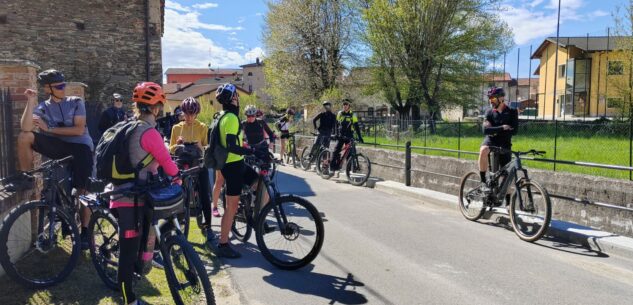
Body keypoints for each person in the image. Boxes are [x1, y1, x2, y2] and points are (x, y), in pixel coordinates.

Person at [108, 82, 181, 305]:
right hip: (128, 197)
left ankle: (146, 260)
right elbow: (167, 162)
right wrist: (178, 177)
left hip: (134, 193)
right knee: (127, 252)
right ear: (156, 107)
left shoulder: (132, 125)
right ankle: (128, 298)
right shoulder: (148, 132)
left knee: (141, 239)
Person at [10, 69, 94, 249]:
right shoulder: (43, 107)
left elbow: (79, 130)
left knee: (83, 190)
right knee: (25, 137)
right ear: (48, 89)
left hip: (81, 147)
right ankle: (27, 177)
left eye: (64, 84)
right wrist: (31, 101)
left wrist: (48, 129)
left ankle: (86, 231)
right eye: (59, 86)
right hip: (59, 147)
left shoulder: (76, 102)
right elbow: (26, 127)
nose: (63, 88)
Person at [215, 83, 269, 258]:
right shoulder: (230, 118)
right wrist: (251, 151)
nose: (238, 99)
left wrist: (248, 149)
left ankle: (255, 217)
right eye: (236, 96)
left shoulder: (221, 115)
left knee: (261, 186)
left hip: (236, 163)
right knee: (231, 207)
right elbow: (231, 146)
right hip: (232, 166)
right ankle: (223, 244)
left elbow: (235, 143)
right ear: (232, 99)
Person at [169, 97, 216, 243]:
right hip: (183, 164)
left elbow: (208, 148)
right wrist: (177, 145)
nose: (189, 117)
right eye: (186, 113)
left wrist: (200, 147)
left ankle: (208, 227)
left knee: (204, 194)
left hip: (198, 163)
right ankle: (178, 224)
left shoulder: (202, 127)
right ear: (182, 113)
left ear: (196, 113)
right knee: (178, 194)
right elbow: (170, 149)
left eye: (192, 113)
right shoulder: (176, 128)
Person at [478, 87, 518, 192]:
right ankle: (483, 182)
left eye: (493, 98)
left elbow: (514, 130)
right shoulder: (489, 112)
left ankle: (509, 204)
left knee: (506, 176)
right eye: (489, 98)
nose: (491, 100)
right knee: (483, 150)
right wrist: (502, 127)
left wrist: (494, 129)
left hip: (505, 143)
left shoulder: (512, 112)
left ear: (501, 98)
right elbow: (485, 130)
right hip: (491, 141)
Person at [330, 99, 363, 171]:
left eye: (346, 104)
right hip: (341, 135)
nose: (344, 106)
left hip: (349, 136)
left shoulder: (352, 114)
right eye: (344, 104)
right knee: (336, 151)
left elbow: (356, 126)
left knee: (349, 153)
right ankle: (332, 167)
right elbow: (335, 124)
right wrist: (335, 133)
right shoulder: (340, 113)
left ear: (349, 106)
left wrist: (360, 137)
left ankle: (348, 171)